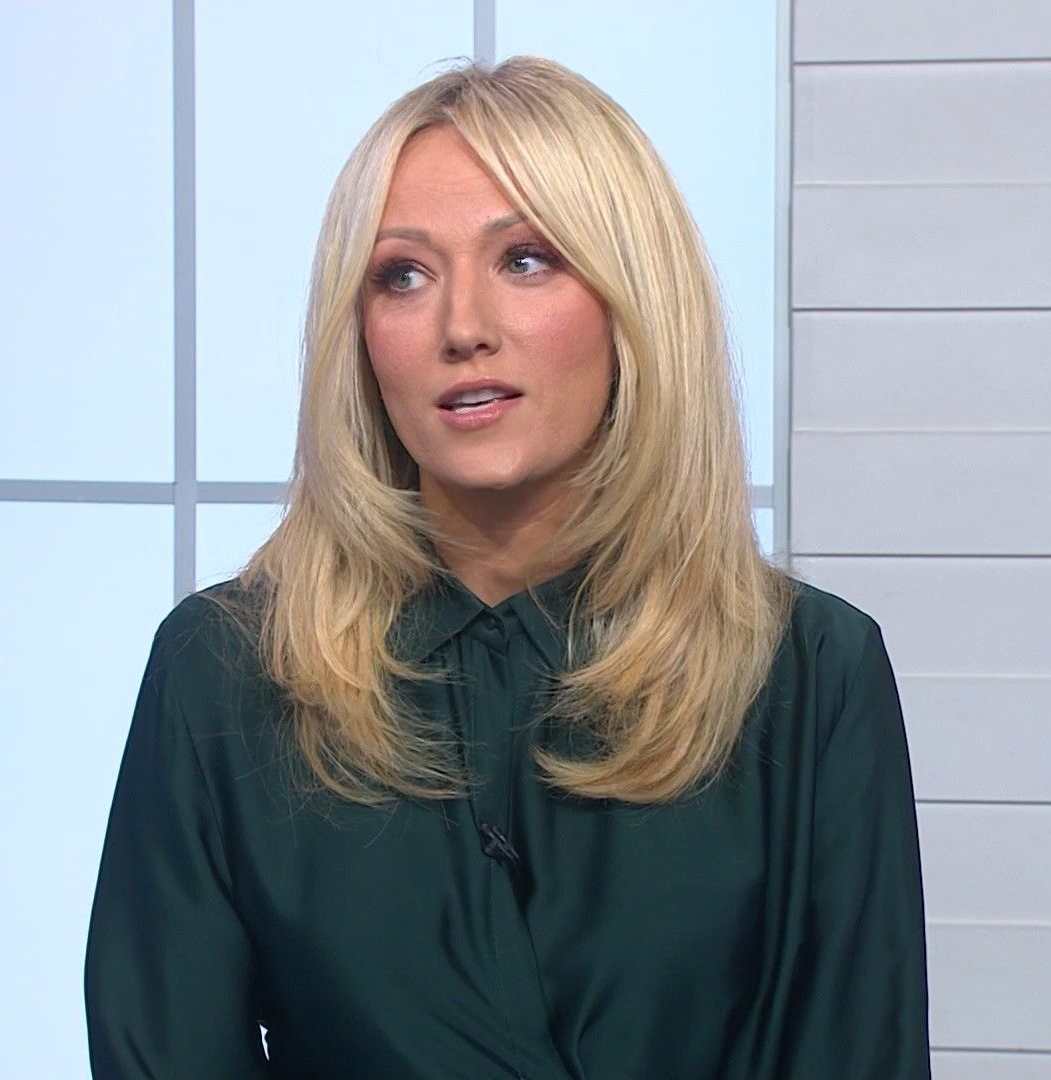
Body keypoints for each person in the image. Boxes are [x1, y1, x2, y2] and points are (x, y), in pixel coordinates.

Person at [83, 55, 929, 1078]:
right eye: (403, 276)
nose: (463, 329)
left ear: (634, 302)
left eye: (525, 260)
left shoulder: (807, 672)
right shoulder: (224, 671)